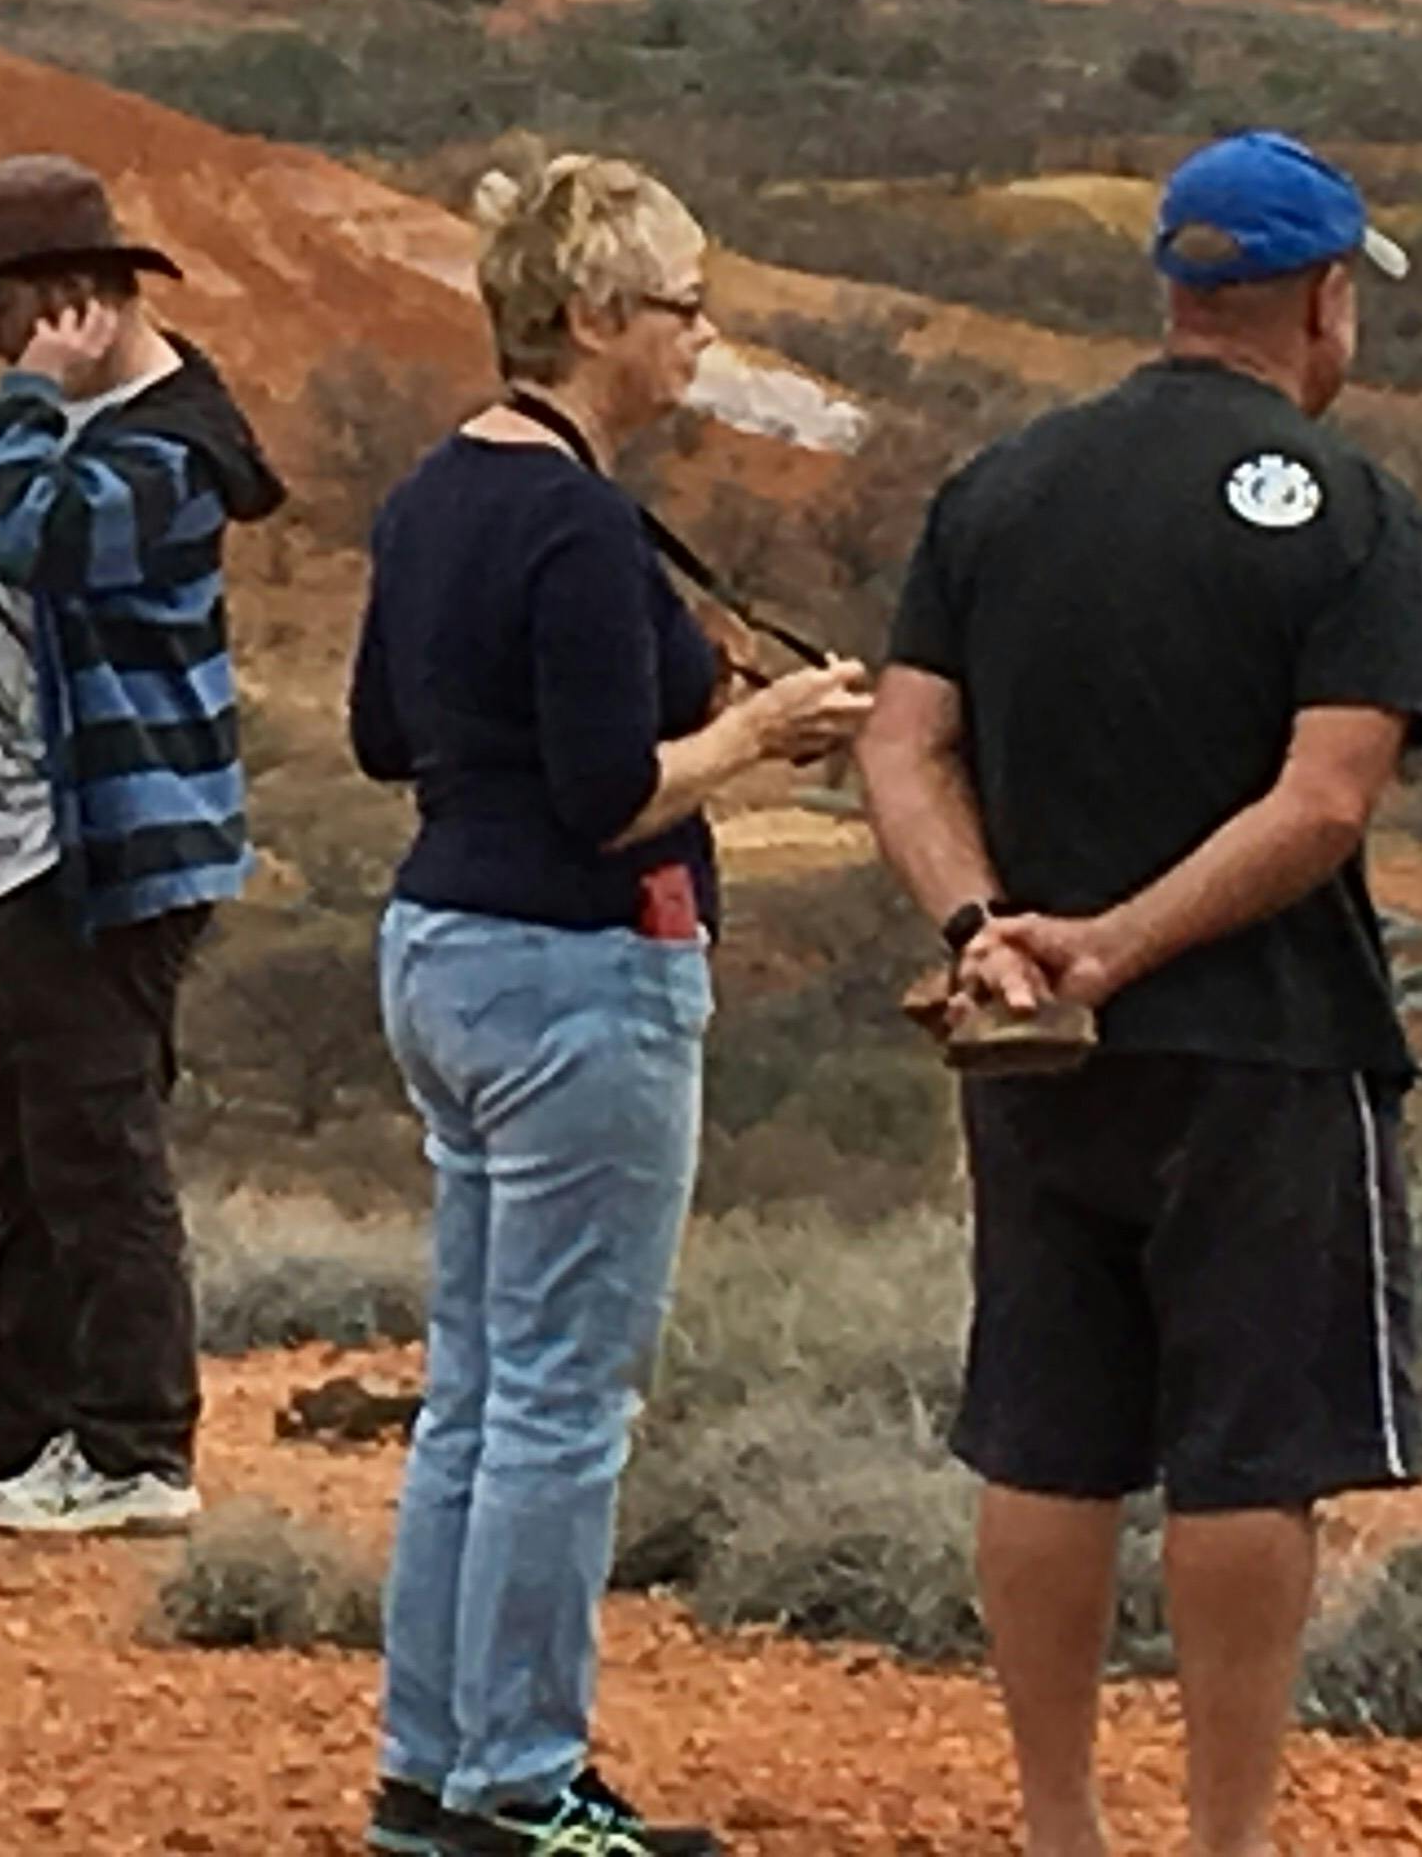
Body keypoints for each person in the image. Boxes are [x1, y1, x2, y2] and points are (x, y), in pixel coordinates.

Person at [858, 130, 1422, 1857]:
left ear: (1177, 285)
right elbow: (1325, 796)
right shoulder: (1352, 510)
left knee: (1047, 1433)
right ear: (1323, 299)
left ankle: (1059, 1825)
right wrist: (1119, 939)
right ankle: (1224, 1838)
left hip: (1031, 1046)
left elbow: (903, 744)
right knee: (1246, 1454)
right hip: (1269, 1047)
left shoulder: (1001, 484)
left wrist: (991, 926)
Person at [351, 150, 871, 1857]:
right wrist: (758, 734)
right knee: (565, 1397)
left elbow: (379, 732)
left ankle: (432, 1763)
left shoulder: (438, 491)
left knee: (477, 1385)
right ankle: (523, 1778)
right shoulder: (573, 514)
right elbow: (604, 794)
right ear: (591, 315)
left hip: (441, 946)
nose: (696, 337)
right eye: (680, 306)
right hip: (579, 967)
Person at [0, 153, 287, 1538]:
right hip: (33, 842)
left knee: (94, 1145)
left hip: (112, 844)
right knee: (26, 1134)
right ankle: (21, 1415)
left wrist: (15, 406)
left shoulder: (166, 452)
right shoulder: (92, 427)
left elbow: (28, 537)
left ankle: (133, 1439)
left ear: (71, 304)